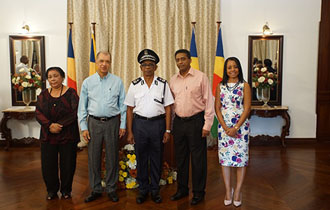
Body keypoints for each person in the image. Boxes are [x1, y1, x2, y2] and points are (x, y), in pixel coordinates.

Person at [124, 49, 174, 204]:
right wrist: (130, 131)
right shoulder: (134, 85)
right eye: (144, 65)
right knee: (141, 157)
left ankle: (154, 190)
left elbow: (168, 108)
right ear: (140, 67)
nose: (147, 67)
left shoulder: (163, 84)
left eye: (150, 64)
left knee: (156, 158)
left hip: (158, 124)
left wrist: (167, 130)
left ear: (155, 67)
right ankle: (143, 190)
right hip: (140, 125)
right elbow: (130, 109)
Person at [78, 51, 127, 203]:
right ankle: (96, 189)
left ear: (110, 63)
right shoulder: (87, 82)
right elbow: (82, 108)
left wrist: (123, 125)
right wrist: (84, 127)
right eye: (101, 61)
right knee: (94, 157)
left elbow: (123, 105)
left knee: (112, 156)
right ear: (97, 62)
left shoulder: (117, 81)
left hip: (113, 122)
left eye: (107, 61)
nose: (104, 64)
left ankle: (112, 188)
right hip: (93, 123)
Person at [169, 49, 214, 205]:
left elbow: (209, 102)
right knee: (180, 159)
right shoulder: (173, 80)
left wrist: (207, 125)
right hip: (179, 123)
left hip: (196, 122)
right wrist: (171, 126)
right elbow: (171, 105)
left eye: (183, 59)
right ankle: (182, 190)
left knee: (198, 160)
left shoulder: (201, 77)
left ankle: (198, 192)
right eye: (178, 60)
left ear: (189, 60)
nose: (180, 62)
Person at [36, 66, 80, 200]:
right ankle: (52, 191)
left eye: (55, 76)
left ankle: (66, 190)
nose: (53, 79)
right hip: (48, 135)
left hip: (67, 134)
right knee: (48, 164)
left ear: (62, 77)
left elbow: (74, 113)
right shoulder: (43, 94)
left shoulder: (71, 93)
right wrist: (50, 125)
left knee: (68, 163)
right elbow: (38, 112)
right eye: (50, 77)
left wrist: (59, 125)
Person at [214, 57, 251, 207]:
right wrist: (225, 127)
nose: (232, 70)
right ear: (225, 70)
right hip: (224, 129)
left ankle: (238, 192)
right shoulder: (220, 86)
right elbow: (217, 108)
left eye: (235, 67)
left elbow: (247, 108)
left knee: (240, 161)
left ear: (239, 68)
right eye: (229, 67)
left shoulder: (245, 85)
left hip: (241, 128)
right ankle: (228, 191)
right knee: (225, 161)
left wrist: (235, 128)